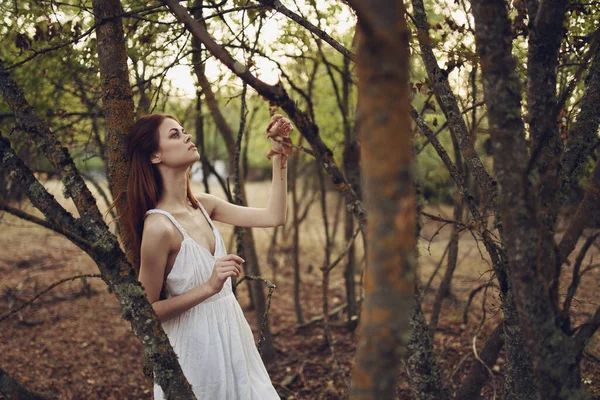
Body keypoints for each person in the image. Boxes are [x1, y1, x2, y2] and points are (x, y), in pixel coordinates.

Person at [121, 112, 293, 399]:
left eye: (184, 131)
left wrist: (279, 154)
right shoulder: (159, 228)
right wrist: (209, 287)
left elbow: (274, 216)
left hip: (233, 338)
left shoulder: (204, 205)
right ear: (154, 156)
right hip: (194, 352)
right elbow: (146, 311)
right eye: (174, 135)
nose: (187, 136)